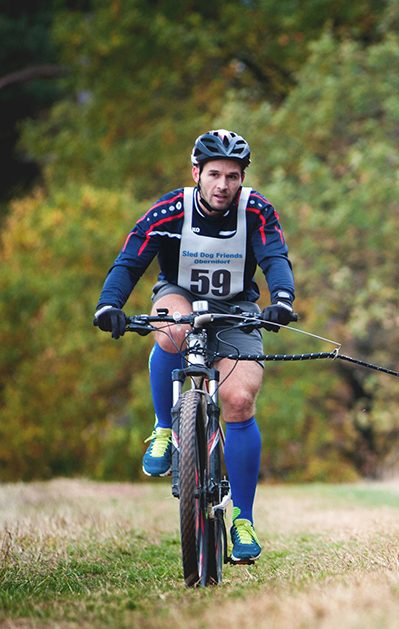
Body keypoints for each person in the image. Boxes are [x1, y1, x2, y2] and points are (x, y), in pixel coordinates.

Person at [94, 129, 295, 561]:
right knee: (172, 328)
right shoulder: (168, 211)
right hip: (178, 295)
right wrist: (109, 305)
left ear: (243, 179)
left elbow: (275, 258)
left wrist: (282, 300)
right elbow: (130, 261)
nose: (224, 185)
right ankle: (165, 428)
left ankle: (243, 520)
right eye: (215, 174)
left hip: (238, 307)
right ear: (196, 173)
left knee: (238, 399)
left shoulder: (256, 211)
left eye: (234, 176)